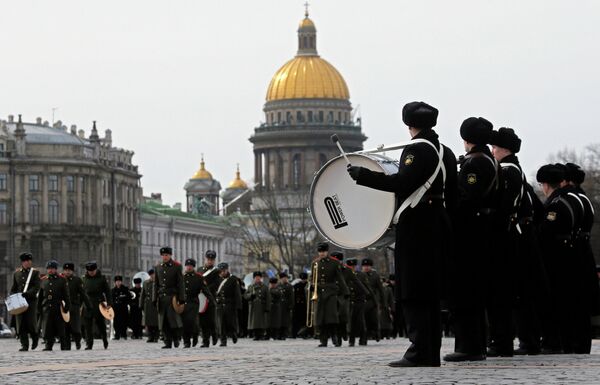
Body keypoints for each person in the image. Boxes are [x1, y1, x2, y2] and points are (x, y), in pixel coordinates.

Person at [347, 101, 457, 367]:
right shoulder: (447, 152)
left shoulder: (417, 150)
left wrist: (364, 175)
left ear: (409, 124)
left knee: (414, 290)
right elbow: (453, 193)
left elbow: (401, 182)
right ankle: (431, 351)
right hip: (438, 223)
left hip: (417, 225)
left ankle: (419, 351)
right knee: (430, 293)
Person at [444, 117, 496, 362]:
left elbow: (466, 199)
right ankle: (477, 344)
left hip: (469, 233)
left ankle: (468, 346)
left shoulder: (475, 164)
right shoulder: (489, 160)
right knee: (475, 291)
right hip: (483, 230)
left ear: (467, 139)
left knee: (465, 292)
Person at [564, 162, 600, 353]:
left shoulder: (571, 198)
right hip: (584, 251)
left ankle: (574, 342)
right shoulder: (584, 198)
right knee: (582, 300)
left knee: (575, 300)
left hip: (575, 252)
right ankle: (580, 342)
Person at [309, 242, 349, 347]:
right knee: (320, 317)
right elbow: (312, 277)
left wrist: (345, 292)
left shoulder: (334, 263)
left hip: (331, 291)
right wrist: (312, 285)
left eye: (323, 251)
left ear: (327, 252)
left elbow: (340, 278)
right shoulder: (315, 263)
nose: (321, 254)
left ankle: (334, 336)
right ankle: (323, 340)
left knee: (331, 316)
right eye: (320, 252)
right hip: (319, 293)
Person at [153, 246, 185, 349]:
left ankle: (176, 338)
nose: (165, 257)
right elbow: (156, 284)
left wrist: (181, 297)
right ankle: (167, 341)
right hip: (162, 298)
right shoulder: (158, 267)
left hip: (172, 298)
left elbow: (180, 283)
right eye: (163, 255)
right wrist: (154, 298)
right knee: (164, 321)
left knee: (173, 320)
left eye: (166, 255)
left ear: (170, 255)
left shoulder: (177, 266)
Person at [37, 260, 71, 351]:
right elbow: (40, 296)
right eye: (48, 269)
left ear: (56, 269)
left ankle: (63, 345)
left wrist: (67, 306)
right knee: (48, 328)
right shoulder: (43, 280)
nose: (50, 270)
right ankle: (48, 345)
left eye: (52, 269)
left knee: (60, 328)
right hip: (47, 308)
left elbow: (66, 295)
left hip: (58, 308)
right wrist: (39, 308)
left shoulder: (62, 280)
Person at [10, 252, 41, 351]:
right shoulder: (17, 273)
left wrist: (27, 293)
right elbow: (14, 288)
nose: (27, 263)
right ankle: (24, 345)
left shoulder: (35, 272)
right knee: (21, 324)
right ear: (22, 262)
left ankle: (35, 337)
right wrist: (13, 297)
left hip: (30, 302)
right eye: (25, 261)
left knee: (31, 323)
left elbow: (36, 287)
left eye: (29, 261)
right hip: (19, 302)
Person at [182, 258, 214, 348]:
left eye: (190, 266)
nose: (189, 267)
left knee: (192, 322)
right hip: (183, 302)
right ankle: (186, 342)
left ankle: (195, 335)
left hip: (194, 302)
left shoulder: (199, 277)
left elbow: (205, 290)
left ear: (193, 267)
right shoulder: (181, 277)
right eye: (187, 266)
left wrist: (212, 300)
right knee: (185, 323)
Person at [339, 256, 369, 347]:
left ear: (355, 266)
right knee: (351, 321)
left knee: (360, 321)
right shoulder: (344, 273)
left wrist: (367, 295)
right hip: (349, 300)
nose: (351, 267)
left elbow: (366, 287)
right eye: (349, 265)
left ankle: (363, 338)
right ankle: (351, 341)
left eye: (353, 266)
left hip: (359, 300)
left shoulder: (361, 275)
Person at [81, 261, 111, 350]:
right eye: (90, 271)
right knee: (87, 326)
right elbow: (81, 293)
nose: (91, 272)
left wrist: (109, 303)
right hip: (87, 304)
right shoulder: (84, 279)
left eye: (93, 271)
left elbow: (107, 292)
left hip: (99, 304)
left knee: (101, 324)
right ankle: (89, 344)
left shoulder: (102, 278)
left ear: (96, 270)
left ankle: (104, 339)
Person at [198, 250, 223, 347]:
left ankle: (215, 334)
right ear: (205, 259)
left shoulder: (216, 271)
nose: (210, 261)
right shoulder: (200, 270)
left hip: (211, 298)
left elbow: (216, 284)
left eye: (212, 260)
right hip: (201, 299)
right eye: (208, 259)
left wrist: (205, 288)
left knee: (211, 320)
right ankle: (205, 341)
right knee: (203, 321)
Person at [215, 262, 242, 347]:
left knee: (231, 322)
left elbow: (237, 293)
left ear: (227, 270)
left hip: (230, 304)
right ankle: (223, 341)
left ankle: (234, 333)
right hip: (220, 304)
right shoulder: (218, 279)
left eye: (224, 270)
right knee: (221, 323)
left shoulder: (233, 279)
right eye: (221, 271)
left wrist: (238, 305)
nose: (222, 272)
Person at [63, 262, 88, 350]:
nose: (67, 272)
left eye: (69, 270)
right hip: (64, 307)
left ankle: (77, 341)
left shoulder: (77, 280)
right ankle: (67, 346)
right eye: (66, 270)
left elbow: (82, 294)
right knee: (66, 328)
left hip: (74, 306)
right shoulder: (61, 280)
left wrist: (85, 304)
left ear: (72, 271)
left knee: (76, 328)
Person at [360, 258, 386, 342]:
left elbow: (381, 290)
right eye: (364, 266)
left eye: (368, 266)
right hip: (362, 300)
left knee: (374, 319)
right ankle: (365, 336)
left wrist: (383, 303)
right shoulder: (359, 275)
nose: (366, 268)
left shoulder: (375, 276)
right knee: (364, 320)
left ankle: (376, 333)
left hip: (372, 300)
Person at [330, 251, 350, 346]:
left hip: (343, 296)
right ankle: (337, 339)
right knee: (335, 318)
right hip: (333, 296)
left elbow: (354, 280)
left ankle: (344, 331)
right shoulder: (329, 270)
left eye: (338, 260)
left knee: (343, 317)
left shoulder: (346, 270)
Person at [244, 271, 270, 340]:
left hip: (261, 306)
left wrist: (267, 307)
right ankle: (255, 335)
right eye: (256, 277)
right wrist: (250, 296)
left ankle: (261, 334)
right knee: (254, 322)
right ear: (254, 278)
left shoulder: (264, 287)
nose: (257, 279)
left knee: (261, 322)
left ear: (261, 278)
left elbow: (268, 298)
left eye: (259, 277)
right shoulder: (250, 287)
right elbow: (245, 296)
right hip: (253, 306)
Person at [141, 269, 159, 343]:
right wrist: (141, 304)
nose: (152, 276)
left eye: (153, 274)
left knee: (156, 322)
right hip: (148, 304)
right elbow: (143, 294)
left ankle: (156, 336)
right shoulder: (145, 283)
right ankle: (150, 336)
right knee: (148, 322)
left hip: (156, 304)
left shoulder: (158, 282)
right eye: (151, 274)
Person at [111, 275, 130, 340]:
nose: (118, 283)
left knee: (124, 322)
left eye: (119, 281)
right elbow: (111, 300)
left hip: (123, 308)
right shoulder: (113, 290)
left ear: (121, 282)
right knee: (116, 323)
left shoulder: (125, 289)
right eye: (117, 281)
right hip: (116, 309)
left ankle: (124, 334)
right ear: (115, 282)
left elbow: (128, 298)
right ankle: (117, 335)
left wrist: (125, 303)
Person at [277, 272, 294, 340]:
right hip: (279, 306)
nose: (285, 279)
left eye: (286, 278)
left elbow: (291, 297)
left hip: (286, 305)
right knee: (279, 321)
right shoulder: (278, 286)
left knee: (285, 321)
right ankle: (279, 334)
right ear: (281, 279)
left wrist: (291, 305)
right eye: (283, 278)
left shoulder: (289, 286)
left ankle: (284, 334)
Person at [292, 272, 309, 338]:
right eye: (302, 279)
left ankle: (305, 334)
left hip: (305, 305)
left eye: (304, 279)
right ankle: (295, 334)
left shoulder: (308, 285)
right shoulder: (296, 285)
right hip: (297, 305)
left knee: (305, 321)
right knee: (296, 320)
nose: (303, 280)